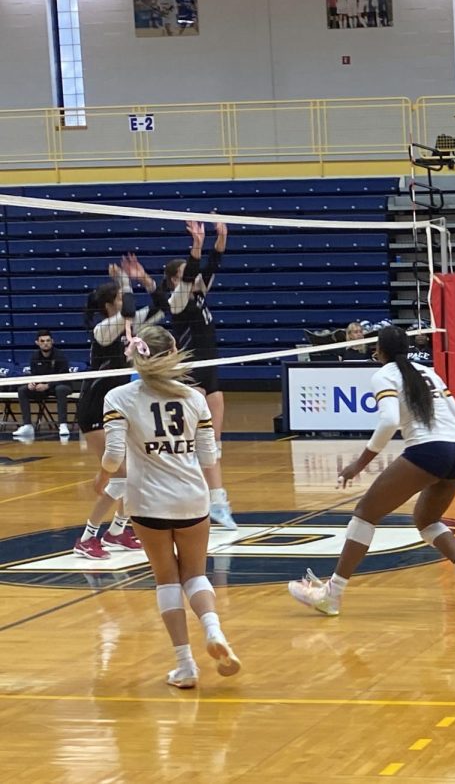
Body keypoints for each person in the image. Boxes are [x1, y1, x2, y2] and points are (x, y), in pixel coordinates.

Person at [288, 327, 455, 615]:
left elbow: (388, 421)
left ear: (379, 351)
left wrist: (359, 464)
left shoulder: (383, 375)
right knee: (426, 519)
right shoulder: (427, 371)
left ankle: (332, 594)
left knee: (365, 514)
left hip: (430, 448)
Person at [95, 324, 240, 689]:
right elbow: (208, 456)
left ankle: (186, 665)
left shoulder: (119, 396)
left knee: (166, 579)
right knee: (196, 574)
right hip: (192, 496)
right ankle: (214, 629)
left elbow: (113, 455)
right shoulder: (195, 398)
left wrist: (102, 479)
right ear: (174, 350)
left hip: (147, 501)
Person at [73, 256, 165, 559]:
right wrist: (126, 283)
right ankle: (87, 537)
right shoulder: (103, 330)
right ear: (110, 305)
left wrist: (146, 281)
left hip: (115, 407)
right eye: (120, 297)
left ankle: (117, 531)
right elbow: (129, 310)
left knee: (134, 475)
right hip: (94, 408)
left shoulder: (126, 325)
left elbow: (161, 309)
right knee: (122, 477)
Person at [159, 220, 236, 530]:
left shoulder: (200, 294)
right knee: (195, 444)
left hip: (210, 367)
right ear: (176, 280)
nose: (196, 278)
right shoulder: (176, 301)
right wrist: (196, 244)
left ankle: (215, 501)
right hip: (190, 372)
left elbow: (211, 265)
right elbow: (193, 272)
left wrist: (222, 236)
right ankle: (204, 498)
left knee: (213, 445)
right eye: (186, 277)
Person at [13, 330, 72, 440]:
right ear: (37, 343)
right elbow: (34, 375)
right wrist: (32, 383)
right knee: (23, 390)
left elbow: (63, 377)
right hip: (42, 387)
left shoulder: (60, 355)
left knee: (60, 389)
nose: (45, 343)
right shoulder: (35, 356)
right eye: (42, 341)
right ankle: (27, 425)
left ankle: (63, 425)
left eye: (48, 340)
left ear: (52, 342)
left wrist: (48, 385)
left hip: (61, 385)